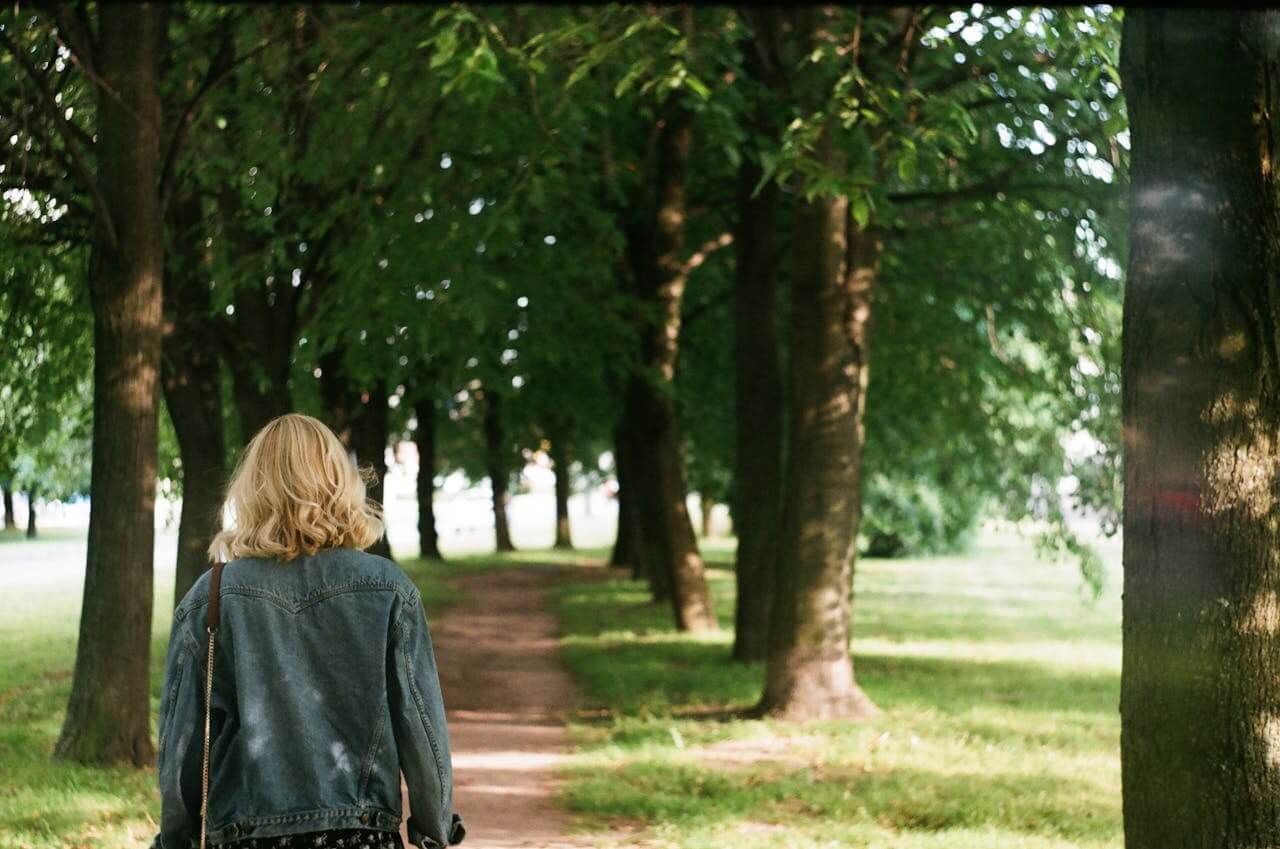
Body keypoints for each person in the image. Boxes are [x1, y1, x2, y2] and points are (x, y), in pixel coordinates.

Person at [152, 414, 466, 849]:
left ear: (252, 490)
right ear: (341, 483)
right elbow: (422, 725)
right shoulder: (389, 590)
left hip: (246, 836)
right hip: (361, 833)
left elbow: (181, 743)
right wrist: (434, 829)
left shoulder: (212, 598)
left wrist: (176, 838)